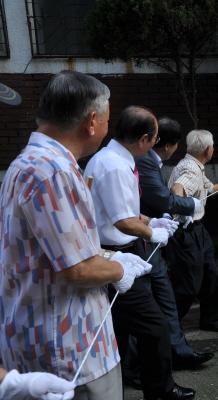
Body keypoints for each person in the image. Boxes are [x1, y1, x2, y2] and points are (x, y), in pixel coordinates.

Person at [0, 71, 152, 400]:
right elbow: (78, 268)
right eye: (108, 120)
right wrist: (122, 267)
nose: (108, 128)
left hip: (35, 337)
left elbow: (54, 251)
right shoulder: (53, 171)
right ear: (92, 121)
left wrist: (111, 257)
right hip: (70, 351)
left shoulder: (24, 164)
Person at [84, 106, 194, 400]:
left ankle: (126, 383)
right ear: (144, 139)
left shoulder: (110, 158)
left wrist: (151, 220)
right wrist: (151, 232)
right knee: (155, 326)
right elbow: (122, 220)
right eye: (155, 139)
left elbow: (126, 212)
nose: (156, 144)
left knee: (120, 327)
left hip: (119, 249)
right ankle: (160, 391)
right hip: (117, 255)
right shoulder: (115, 166)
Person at [121, 116, 214, 388]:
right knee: (145, 307)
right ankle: (134, 366)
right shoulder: (142, 161)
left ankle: (179, 352)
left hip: (152, 235)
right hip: (137, 243)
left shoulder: (148, 161)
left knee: (166, 301)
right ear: (168, 144)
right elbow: (164, 196)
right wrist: (190, 205)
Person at [168, 129, 218, 332]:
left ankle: (211, 320)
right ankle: (166, 328)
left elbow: (211, 190)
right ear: (209, 149)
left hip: (199, 230)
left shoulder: (196, 165)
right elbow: (177, 188)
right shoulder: (190, 169)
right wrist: (184, 208)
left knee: (210, 276)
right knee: (188, 286)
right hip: (185, 230)